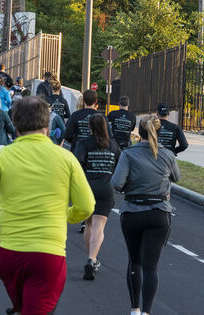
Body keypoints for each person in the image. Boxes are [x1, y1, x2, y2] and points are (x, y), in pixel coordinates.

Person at [0, 97, 94, 315]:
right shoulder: (66, 158)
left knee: (23, 307)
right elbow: (86, 206)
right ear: (47, 125)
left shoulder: (0, 157)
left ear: (15, 126)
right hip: (49, 254)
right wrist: (63, 215)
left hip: (10, 252)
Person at [112, 116, 180, 315]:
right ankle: (147, 311)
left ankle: (134, 309)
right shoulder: (167, 155)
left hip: (133, 212)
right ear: (159, 133)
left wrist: (129, 187)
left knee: (135, 261)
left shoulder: (129, 154)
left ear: (137, 132)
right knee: (151, 267)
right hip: (158, 214)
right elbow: (176, 177)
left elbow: (116, 183)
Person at [74, 114, 121, 281]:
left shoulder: (83, 143)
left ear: (89, 127)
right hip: (106, 188)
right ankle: (92, 258)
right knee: (99, 225)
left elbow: (77, 165)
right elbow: (119, 165)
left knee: (88, 224)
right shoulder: (113, 145)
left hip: (87, 188)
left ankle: (91, 257)